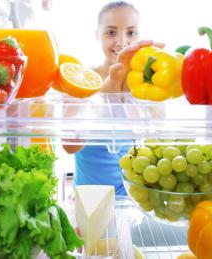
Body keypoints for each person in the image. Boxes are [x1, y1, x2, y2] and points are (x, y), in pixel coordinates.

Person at [63, 1, 164, 195]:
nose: (122, 41)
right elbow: (70, 146)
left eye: (131, 32)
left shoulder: (144, 83)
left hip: (134, 197)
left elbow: (158, 139)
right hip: (88, 197)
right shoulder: (80, 79)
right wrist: (107, 96)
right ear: (97, 35)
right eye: (111, 32)